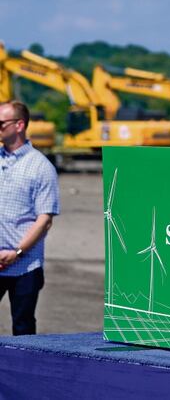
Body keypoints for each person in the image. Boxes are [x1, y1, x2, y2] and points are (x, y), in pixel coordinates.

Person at [0, 100, 60, 335]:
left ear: (19, 125)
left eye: (1, 123)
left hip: (25, 265)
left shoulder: (40, 167)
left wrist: (16, 252)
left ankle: (23, 371)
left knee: (23, 327)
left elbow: (44, 219)